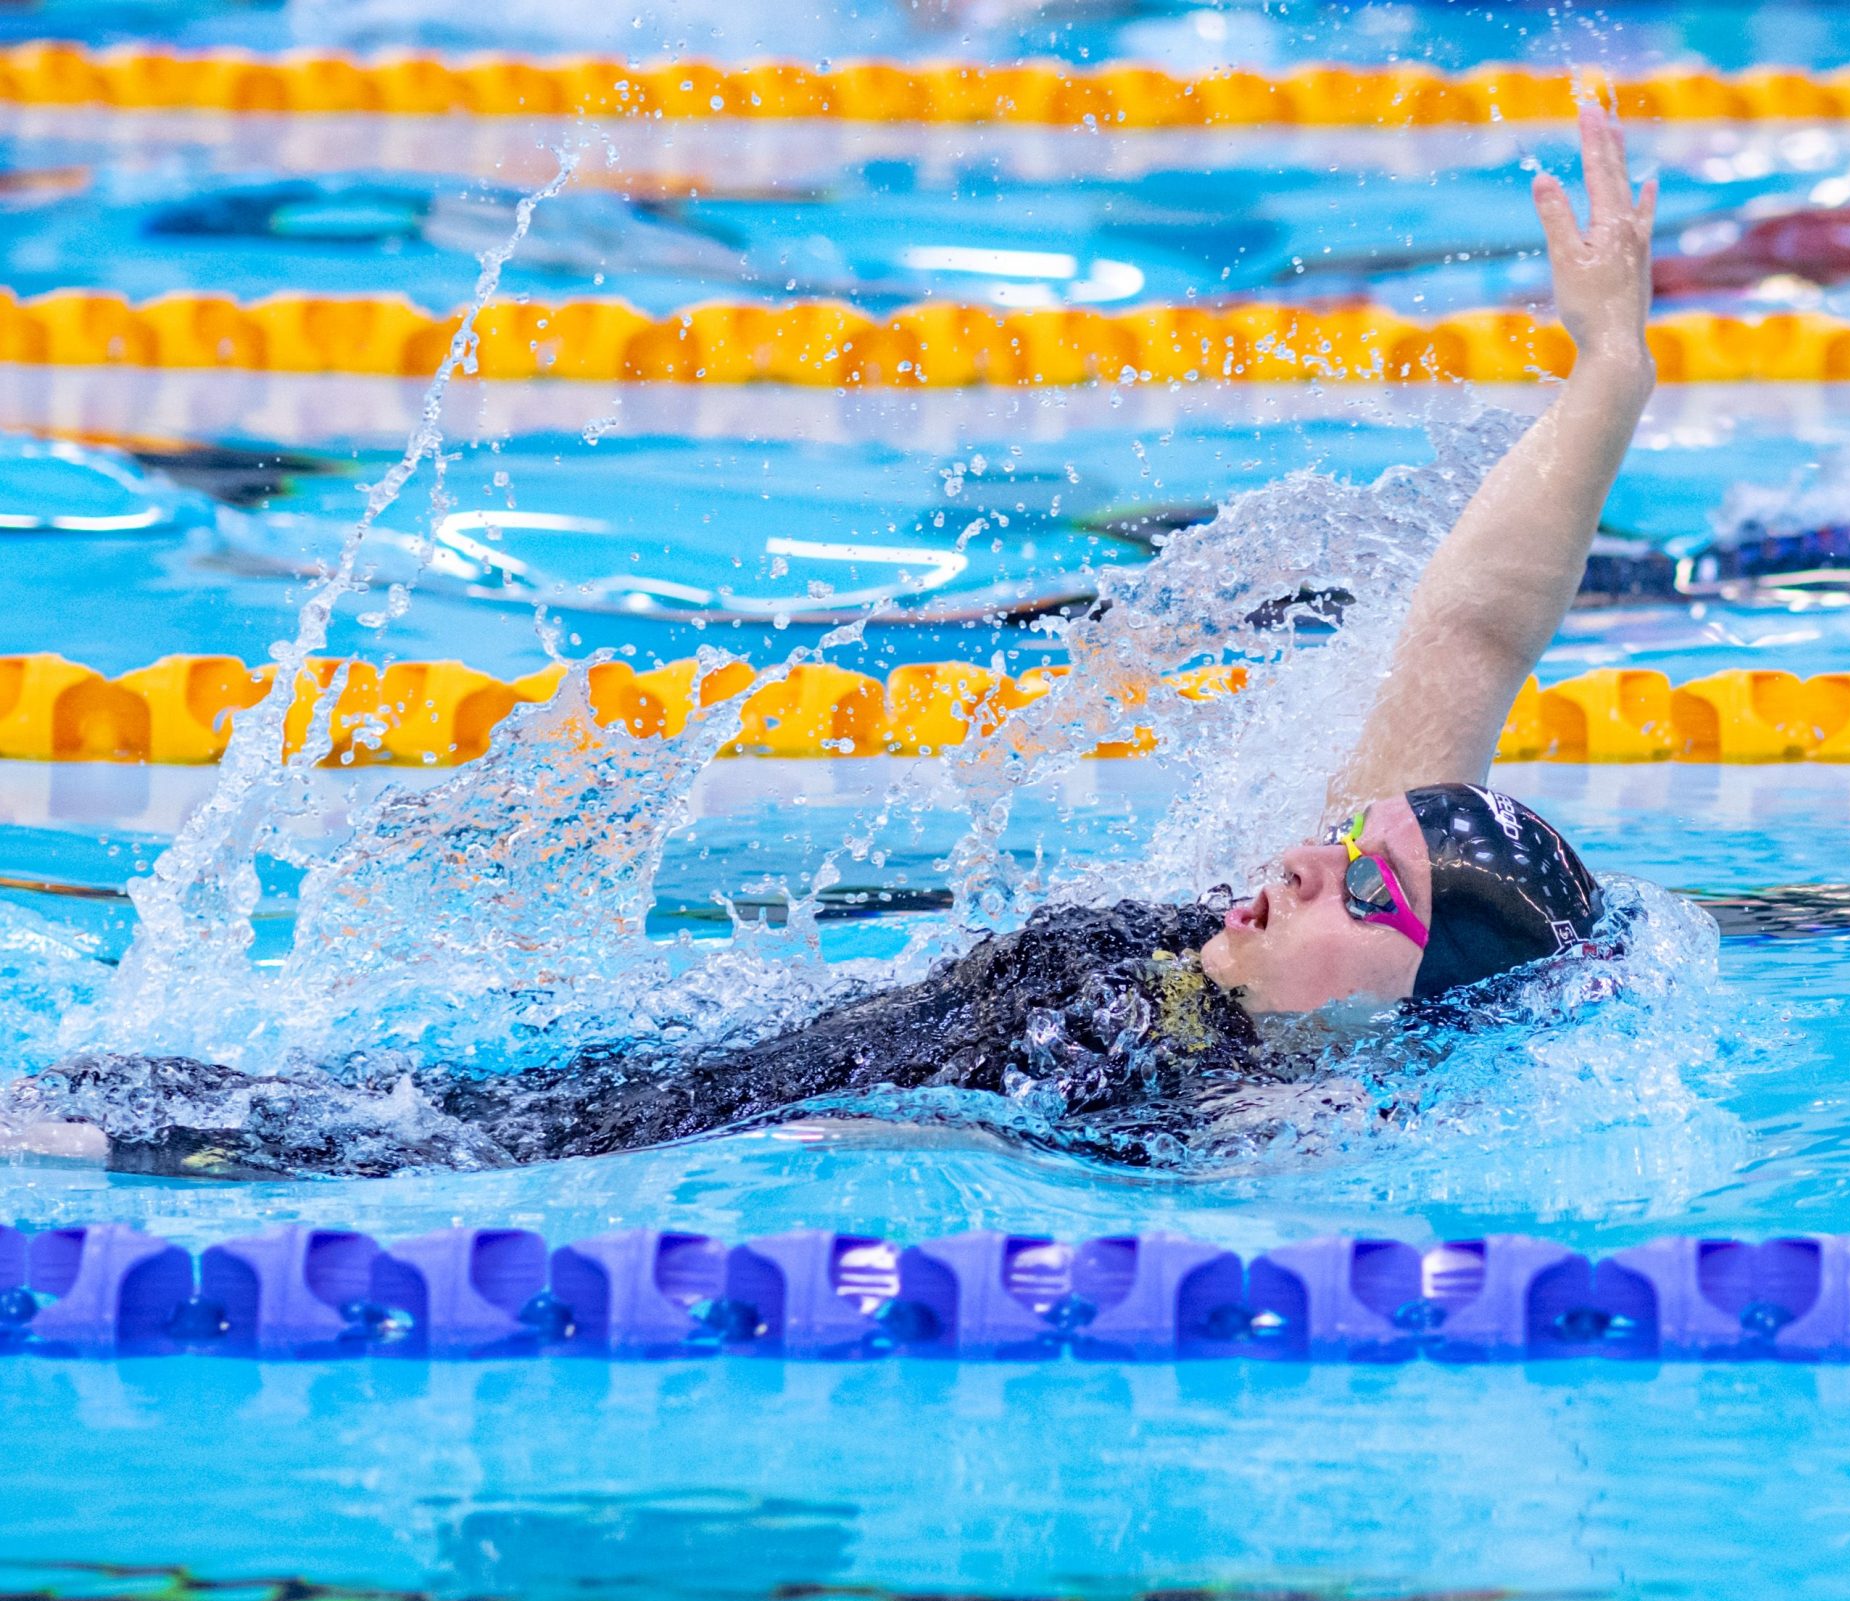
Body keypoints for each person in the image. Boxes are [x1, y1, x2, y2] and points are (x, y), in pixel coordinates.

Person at [2, 106, 1660, 1179]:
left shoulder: (1271, 1132)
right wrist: (1608, 381)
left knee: (176, 1140)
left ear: (1413, 1014)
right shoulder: (1287, 942)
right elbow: (1468, 626)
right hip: (661, 1072)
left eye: (1364, 895)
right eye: (1339, 846)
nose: (1307, 864)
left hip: (627, 1156)